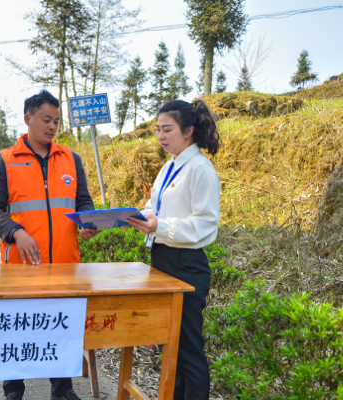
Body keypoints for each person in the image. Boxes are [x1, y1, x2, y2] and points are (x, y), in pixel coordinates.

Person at [0, 89, 98, 400]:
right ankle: (13, 391)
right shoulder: (6, 160)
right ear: (28, 119)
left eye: (56, 121)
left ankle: (63, 390)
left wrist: (87, 221)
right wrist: (16, 232)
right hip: (21, 266)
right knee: (18, 328)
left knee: (60, 326)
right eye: (46, 119)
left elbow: (83, 201)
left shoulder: (71, 159)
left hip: (64, 264)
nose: (52, 126)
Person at [127, 99, 220, 400]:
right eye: (158, 130)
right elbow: (155, 206)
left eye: (167, 130)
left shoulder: (200, 169)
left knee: (188, 350)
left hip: (187, 265)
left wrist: (161, 226)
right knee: (173, 346)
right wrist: (141, 217)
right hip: (163, 260)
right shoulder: (170, 166)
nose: (161, 136)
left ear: (188, 131)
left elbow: (206, 224)